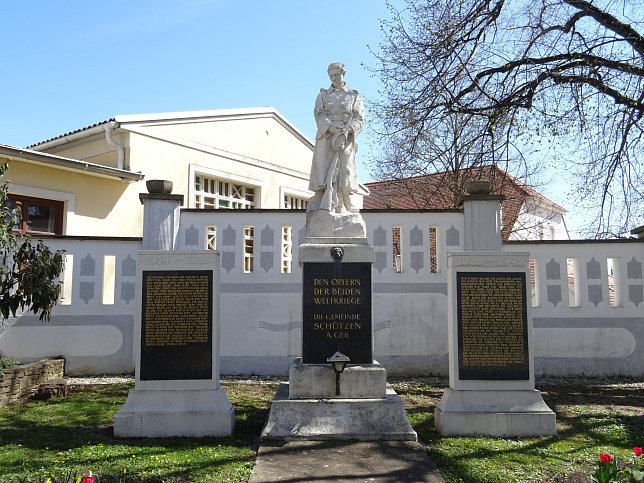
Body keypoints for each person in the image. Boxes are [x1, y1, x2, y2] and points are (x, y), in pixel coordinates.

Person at [308, 62, 364, 214]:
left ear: (343, 74)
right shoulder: (323, 95)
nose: (333, 78)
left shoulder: (354, 95)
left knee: (345, 168)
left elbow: (359, 116)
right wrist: (330, 128)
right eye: (331, 75)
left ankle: (344, 199)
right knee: (324, 168)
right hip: (327, 134)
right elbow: (318, 113)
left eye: (336, 75)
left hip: (345, 135)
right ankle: (322, 199)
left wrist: (349, 130)